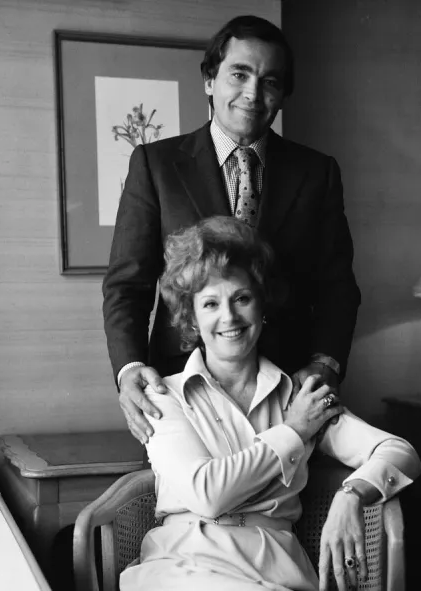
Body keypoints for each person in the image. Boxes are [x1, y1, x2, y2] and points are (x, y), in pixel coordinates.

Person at [120, 216, 421, 591]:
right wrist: (294, 432)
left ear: (263, 306)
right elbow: (207, 494)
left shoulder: (300, 397)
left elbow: (399, 451)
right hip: (182, 566)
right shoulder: (165, 396)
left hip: (273, 571)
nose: (228, 317)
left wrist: (352, 495)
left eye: (241, 298)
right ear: (192, 319)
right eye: (210, 303)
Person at [102, 15, 361, 444]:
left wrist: (325, 364)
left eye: (270, 81)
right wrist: (128, 370)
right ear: (210, 80)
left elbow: (338, 288)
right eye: (239, 74)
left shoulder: (318, 173)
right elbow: (126, 285)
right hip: (180, 392)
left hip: (285, 394)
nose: (253, 94)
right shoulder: (156, 165)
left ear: (282, 95)